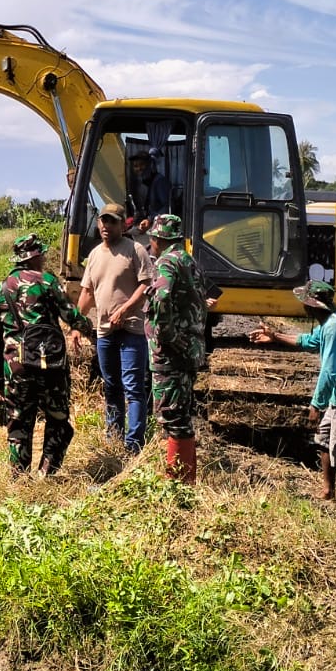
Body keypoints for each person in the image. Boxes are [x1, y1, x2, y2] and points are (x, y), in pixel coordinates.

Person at [250, 280, 336, 515]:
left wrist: (316, 404)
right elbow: (309, 341)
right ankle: (328, 491)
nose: (303, 307)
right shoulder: (332, 320)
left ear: (312, 306)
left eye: (305, 303)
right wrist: (274, 336)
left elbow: (329, 370)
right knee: (324, 439)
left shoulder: (335, 327)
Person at [0, 233, 93, 477]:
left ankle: (19, 478)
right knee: (57, 419)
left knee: (19, 424)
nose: (44, 258)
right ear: (36, 256)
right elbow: (71, 316)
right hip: (51, 365)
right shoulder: (47, 282)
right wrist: (90, 329)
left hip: (16, 367)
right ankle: (47, 472)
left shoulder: (0, 289)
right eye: (42, 254)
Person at [77, 202, 154, 452]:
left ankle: (133, 445)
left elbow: (145, 286)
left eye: (112, 221)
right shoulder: (95, 255)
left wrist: (126, 309)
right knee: (111, 387)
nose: (106, 226)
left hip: (131, 330)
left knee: (133, 387)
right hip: (105, 332)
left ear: (123, 224)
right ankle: (114, 439)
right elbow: (87, 292)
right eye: (103, 221)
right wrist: (77, 325)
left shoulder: (136, 250)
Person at [144, 214, 208, 484]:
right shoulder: (189, 261)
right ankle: (185, 481)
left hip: (171, 354)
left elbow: (161, 297)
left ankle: (178, 484)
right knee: (181, 413)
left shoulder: (167, 262)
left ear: (158, 239)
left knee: (173, 416)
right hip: (188, 350)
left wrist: (166, 334)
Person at [126, 151, 172, 232]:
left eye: (142, 165)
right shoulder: (141, 184)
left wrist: (150, 220)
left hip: (161, 229)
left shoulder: (159, 181)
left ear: (150, 165)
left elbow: (167, 207)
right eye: (135, 166)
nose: (139, 168)